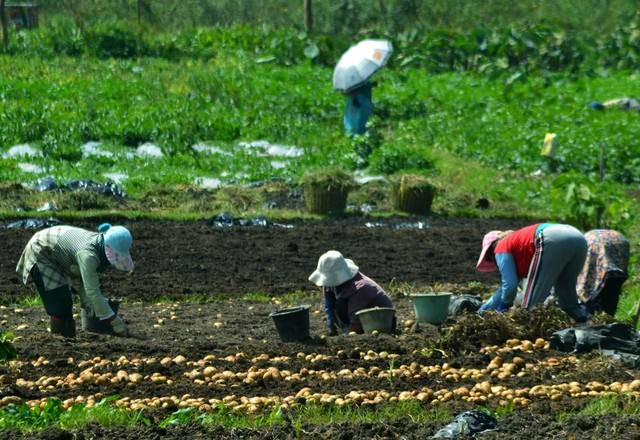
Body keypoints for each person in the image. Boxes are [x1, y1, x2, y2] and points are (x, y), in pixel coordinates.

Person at [16, 223, 134, 338]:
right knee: (59, 300)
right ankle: (59, 339)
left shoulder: (100, 244)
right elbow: (93, 291)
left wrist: (87, 303)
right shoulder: (88, 255)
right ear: (108, 249)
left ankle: (66, 336)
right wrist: (115, 321)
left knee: (64, 299)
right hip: (41, 250)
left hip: (55, 248)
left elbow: (86, 281)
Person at [476, 223, 588, 322]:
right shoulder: (518, 246)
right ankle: (581, 323)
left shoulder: (500, 247)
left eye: (490, 258)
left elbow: (510, 286)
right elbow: (505, 289)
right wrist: (485, 308)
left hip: (551, 237)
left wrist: (503, 306)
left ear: (491, 250)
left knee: (531, 306)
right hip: (579, 238)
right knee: (566, 289)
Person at [309, 250, 393, 335]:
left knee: (341, 304)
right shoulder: (330, 285)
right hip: (357, 312)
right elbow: (329, 306)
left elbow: (355, 319)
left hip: (382, 320)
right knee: (339, 304)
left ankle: (353, 330)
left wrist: (348, 335)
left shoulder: (360, 287)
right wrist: (332, 326)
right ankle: (346, 328)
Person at [576, 229, 630, 315]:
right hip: (619, 243)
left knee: (588, 289)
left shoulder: (587, 239)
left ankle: (589, 317)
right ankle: (607, 319)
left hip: (595, 246)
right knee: (612, 289)